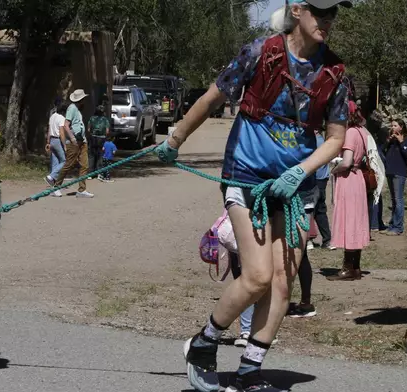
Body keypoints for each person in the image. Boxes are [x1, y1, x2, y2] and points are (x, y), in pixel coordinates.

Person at [154, 1, 352, 391]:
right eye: (320, 11)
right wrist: (175, 139)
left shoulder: (335, 73)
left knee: (283, 281)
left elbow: (336, 139)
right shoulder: (261, 52)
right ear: (298, 10)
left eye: (333, 14)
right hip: (246, 178)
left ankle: (250, 372)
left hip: (296, 188)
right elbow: (212, 98)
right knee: (258, 275)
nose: (327, 20)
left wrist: (301, 171)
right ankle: (205, 341)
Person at [327, 101, 370, 281]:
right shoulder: (361, 131)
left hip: (349, 179)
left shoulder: (351, 133)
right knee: (355, 219)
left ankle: (348, 268)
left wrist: (334, 169)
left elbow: (346, 162)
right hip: (357, 178)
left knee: (349, 219)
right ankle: (356, 266)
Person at [53, 89, 94, 198]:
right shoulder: (72, 108)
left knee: (84, 165)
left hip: (82, 141)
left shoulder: (78, 110)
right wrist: (72, 138)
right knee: (69, 164)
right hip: (74, 141)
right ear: (80, 100)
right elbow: (66, 125)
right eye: (83, 99)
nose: (85, 101)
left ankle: (82, 190)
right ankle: (56, 186)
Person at [382, 118, 407, 236]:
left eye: (395, 126)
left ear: (401, 127)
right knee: (393, 200)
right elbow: (383, 150)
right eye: (392, 126)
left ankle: (398, 227)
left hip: (399, 173)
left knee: (398, 199)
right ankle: (392, 226)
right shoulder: (392, 140)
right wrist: (388, 141)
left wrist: (401, 142)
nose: (392, 128)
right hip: (390, 171)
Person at [306, 130, 334, 250]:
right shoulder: (323, 141)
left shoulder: (312, 141)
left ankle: (308, 240)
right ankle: (327, 240)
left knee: (309, 209)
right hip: (322, 179)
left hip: (313, 179)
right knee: (320, 211)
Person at [45, 103, 68, 196]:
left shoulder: (52, 116)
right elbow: (62, 133)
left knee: (55, 162)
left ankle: (55, 189)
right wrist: (64, 145)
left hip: (52, 140)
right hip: (58, 140)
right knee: (64, 161)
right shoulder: (61, 118)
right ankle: (51, 176)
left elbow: (49, 130)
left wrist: (48, 142)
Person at [87, 105, 110, 177]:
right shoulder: (105, 120)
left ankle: (90, 173)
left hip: (93, 138)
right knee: (100, 155)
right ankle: (98, 172)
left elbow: (88, 129)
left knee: (91, 155)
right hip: (102, 139)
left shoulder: (91, 118)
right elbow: (107, 131)